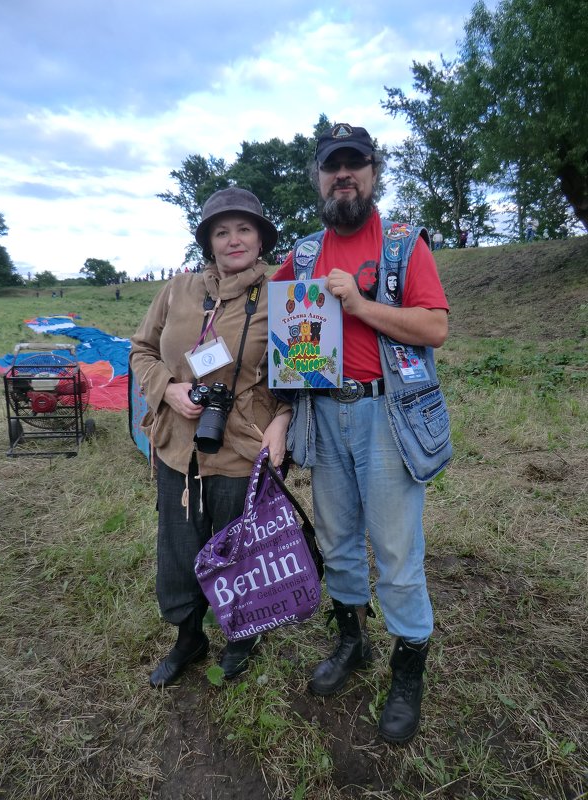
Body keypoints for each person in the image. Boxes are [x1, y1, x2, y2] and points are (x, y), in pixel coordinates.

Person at [273, 123, 451, 744]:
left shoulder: (404, 246)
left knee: (397, 551)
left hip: (387, 414)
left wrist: (359, 307)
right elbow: (273, 334)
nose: (343, 174)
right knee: (337, 539)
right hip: (321, 414)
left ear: (373, 174)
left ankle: (408, 666)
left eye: (355, 164)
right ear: (317, 178)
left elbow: (434, 330)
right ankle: (353, 641)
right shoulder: (298, 257)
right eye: (332, 166)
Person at [130, 188, 291, 688]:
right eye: (221, 231)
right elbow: (141, 350)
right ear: (209, 241)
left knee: (240, 550)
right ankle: (188, 637)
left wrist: (282, 421)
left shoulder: (284, 294)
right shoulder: (178, 290)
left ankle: (242, 637)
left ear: (260, 236)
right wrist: (169, 389)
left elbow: (302, 371)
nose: (233, 239)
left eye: (244, 228)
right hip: (179, 448)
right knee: (178, 549)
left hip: (244, 448)